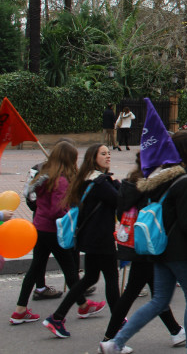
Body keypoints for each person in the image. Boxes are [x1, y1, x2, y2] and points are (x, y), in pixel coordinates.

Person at [99, 130, 187, 354]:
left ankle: (116, 343)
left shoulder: (160, 179)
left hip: (158, 248)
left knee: (159, 301)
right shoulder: (186, 181)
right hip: (182, 252)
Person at [11, 142, 103, 326]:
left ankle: (20, 309)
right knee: (69, 269)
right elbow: (57, 210)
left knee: (35, 268)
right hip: (54, 231)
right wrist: (70, 213)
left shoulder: (45, 177)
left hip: (40, 228)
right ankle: (83, 306)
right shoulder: (61, 181)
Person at [102, 153, 185, 349]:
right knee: (135, 292)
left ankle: (175, 331)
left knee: (155, 293)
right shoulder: (151, 186)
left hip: (134, 241)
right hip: (148, 243)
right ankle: (110, 339)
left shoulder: (129, 183)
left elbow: (120, 212)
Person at [43, 144, 120, 338]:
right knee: (111, 279)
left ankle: (57, 317)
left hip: (89, 237)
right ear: (93, 158)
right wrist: (118, 184)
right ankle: (118, 324)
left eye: (109, 153)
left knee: (90, 278)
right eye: (103, 154)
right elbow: (119, 200)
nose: (108, 156)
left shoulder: (85, 179)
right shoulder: (100, 182)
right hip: (102, 238)